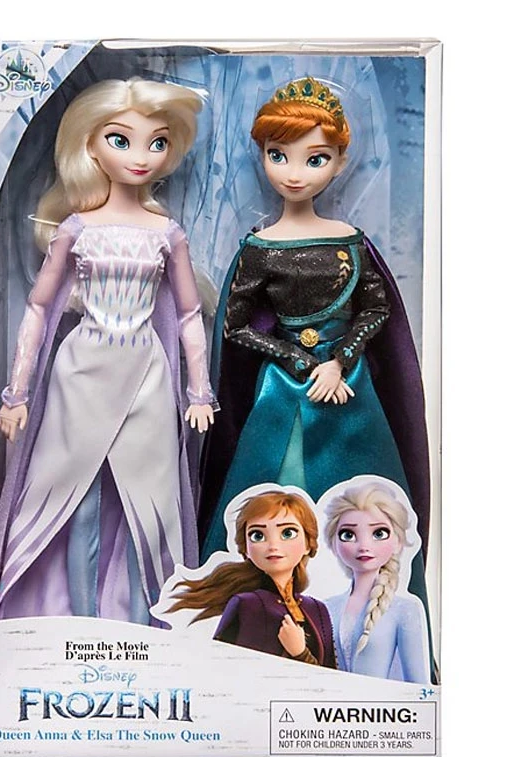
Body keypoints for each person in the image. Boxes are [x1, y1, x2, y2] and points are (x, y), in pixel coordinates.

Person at [198, 77, 431, 625]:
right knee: (276, 484)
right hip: (283, 387)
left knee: (358, 492)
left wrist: (340, 360)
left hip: (348, 388)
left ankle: (359, 607)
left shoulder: (348, 240)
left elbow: (376, 309)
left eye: (316, 158)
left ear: (340, 162)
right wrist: (303, 362)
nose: (295, 173)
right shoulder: (260, 248)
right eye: (278, 155)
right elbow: (236, 327)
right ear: (261, 155)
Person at [0, 78, 217, 623]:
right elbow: (39, 308)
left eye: (156, 142)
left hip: (146, 372)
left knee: (150, 507)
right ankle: (84, 622)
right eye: (121, 140)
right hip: (83, 372)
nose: (140, 156)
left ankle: (147, 623)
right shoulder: (76, 228)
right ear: (90, 146)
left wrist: (199, 392)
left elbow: (189, 316)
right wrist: (16, 394)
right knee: (79, 502)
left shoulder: (166, 232)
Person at [170, 489, 336, 667]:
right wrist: (299, 654)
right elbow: (227, 669)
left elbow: (331, 674)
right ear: (246, 550)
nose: (273, 545)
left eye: (288, 533)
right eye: (258, 536)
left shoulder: (317, 609)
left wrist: (301, 653)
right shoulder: (248, 605)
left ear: (308, 544)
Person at [321, 479, 429, 683]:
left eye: (379, 533)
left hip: (381, 704)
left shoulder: (404, 610)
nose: (364, 546)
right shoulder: (325, 607)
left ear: (398, 541)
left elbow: (417, 685)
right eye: (348, 534)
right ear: (333, 544)